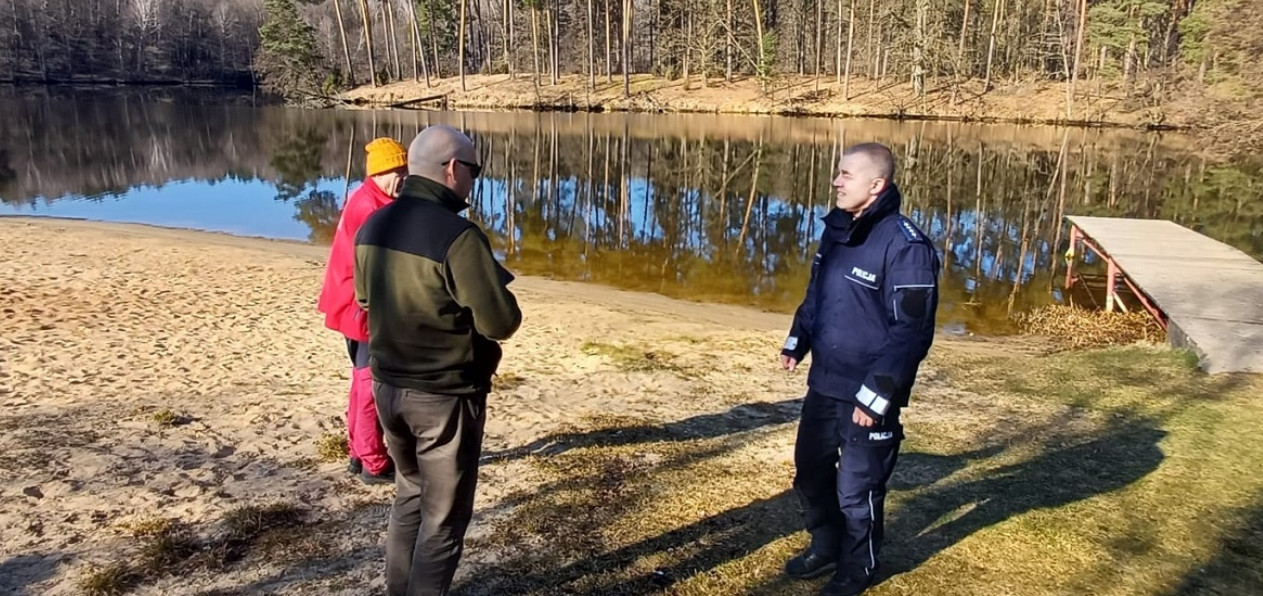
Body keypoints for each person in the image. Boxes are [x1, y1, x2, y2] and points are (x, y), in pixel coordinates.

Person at [354, 124, 522, 596]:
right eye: (474, 169)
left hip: (387, 388)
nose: (475, 178)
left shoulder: (374, 223)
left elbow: (365, 300)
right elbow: (500, 322)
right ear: (452, 170)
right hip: (445, 396)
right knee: (444, 520)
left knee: (409, 493)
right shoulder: (459, 236)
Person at [779, 142, 940, 596]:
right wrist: (798, 340)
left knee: (857, 490)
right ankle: (825, 544)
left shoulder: (907, 247)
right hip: (825, 382)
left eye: (846, 175)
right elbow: (819, 296)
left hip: (868, 393)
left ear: (876, 185)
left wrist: (876, 397)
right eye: (838, 173)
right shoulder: (837, 230)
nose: (836, 181)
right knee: (809, 471)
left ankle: (857, 569)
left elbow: (910, 334)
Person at [317, 137, 408, 485]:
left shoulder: (371, 198)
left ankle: (358, 451)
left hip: (348, 304)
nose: (403, 177)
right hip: (361, 309)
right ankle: (373, 462)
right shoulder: (371, 208)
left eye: (405, 169)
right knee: (370, 383)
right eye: (396, 171)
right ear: (378, 173)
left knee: (360, 381)